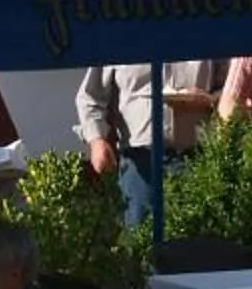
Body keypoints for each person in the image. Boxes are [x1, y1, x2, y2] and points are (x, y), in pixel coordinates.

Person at [74, 60, 226, 226]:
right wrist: (97, 140)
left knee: (195, 241)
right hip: (140, 162)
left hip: (196, 157)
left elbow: (232, 89)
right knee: (141, 238)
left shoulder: (207, 35)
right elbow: (90, 97)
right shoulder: (118, 37)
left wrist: (210, 100)